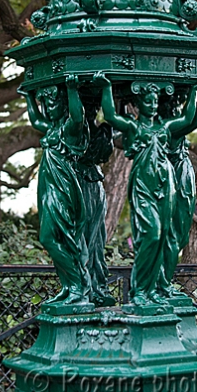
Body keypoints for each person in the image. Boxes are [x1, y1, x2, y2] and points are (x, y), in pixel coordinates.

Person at [92, 72, 197, 306]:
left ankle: (154, 289)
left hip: (167, 188)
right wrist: (105, 88)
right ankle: (140, 290)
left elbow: (191, 120)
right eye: (148, 100)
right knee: (150, 235)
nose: (153, 104)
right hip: (144, 187)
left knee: (164, 238)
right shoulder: (134, 127)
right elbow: (111, 115)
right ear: (139, 104)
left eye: (155, 100)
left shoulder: (165, 127)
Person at [19, 76, 91, 305]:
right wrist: (29, 97)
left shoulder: (68, 131)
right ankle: (70, 286)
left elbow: (78, 117)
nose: (49, 107)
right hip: (47, 189)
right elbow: (35, 119)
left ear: (63, 104)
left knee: (53, 238)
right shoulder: (50, 129)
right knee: (52, 238)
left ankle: (77, 285)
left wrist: (71, 90)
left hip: (62, 189)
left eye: (53, 102)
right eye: (46, 103)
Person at [157, 81, 197, 297]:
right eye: (171, 105)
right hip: (172, 178)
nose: (175, 108)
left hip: (184, 175)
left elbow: (194, 118)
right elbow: (192, 119)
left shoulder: (172, 124)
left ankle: (163, 282)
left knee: (179, 238)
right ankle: (161, 283)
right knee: (171, 237)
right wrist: (196, 93)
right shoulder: (165, 127)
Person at [76, 100, 116, 307]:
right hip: (80, 183)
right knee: (83, 236)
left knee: (97, 238)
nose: (92, 109)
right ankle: (83, 286)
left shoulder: (102, 131)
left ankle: (98, 286)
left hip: (94, 182)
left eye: (94, 106)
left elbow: (105, 153)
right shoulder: (75, 128)